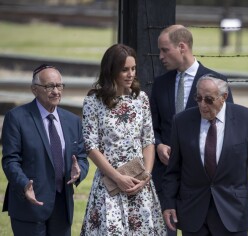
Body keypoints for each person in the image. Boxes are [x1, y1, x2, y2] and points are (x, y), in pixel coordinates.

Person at [162, 75, 248, 236]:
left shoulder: (246, 119)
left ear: (224, 97)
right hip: (193, 214)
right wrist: (169, 203)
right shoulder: (181, 122)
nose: (202, 104)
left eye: (209, 100)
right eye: (198, 98)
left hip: (233, 214)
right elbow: (173, 170)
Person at [150, 24, 234, 234]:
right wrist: (158, 145)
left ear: (182, 47)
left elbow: (229, 127)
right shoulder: (160, 83)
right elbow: (151, 126)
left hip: (201, 183)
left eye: (164, 50)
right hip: (166, 178)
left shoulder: (216, 82)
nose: (160, 56)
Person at [80, 44, 166, 235]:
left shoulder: (141, 99)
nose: (130, 74)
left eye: (133, 69)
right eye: (124, 69)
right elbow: (90, 146)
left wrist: (146, 176)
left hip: (139, 183)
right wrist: (117, 178)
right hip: (109, 183)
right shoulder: (93, 102)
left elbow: (148, 140)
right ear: (111, 71)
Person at [1, 64, 89, 236]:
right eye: (49, 86)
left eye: (59, 86)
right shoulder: (17, 118)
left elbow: (82, 157)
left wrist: (79, 172)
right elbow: (10, 160)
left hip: (62, 208)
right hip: (30, 206)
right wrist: (24, 184)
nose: (56, 91)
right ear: (34, 89)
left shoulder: (72, 121)